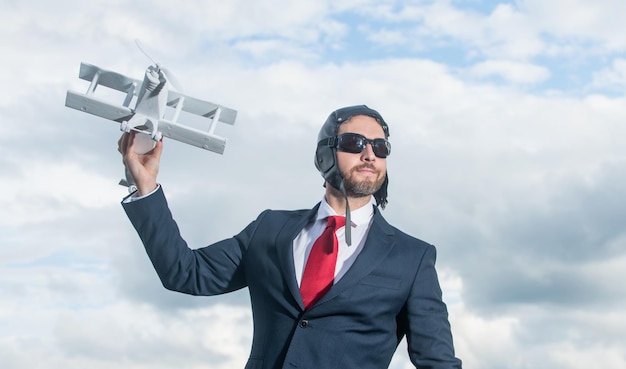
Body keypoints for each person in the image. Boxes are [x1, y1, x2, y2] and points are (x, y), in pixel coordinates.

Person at [118, 105, 462, 369]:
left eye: (380, 146)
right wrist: (145, 187)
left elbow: (439, 363)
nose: (369, 154)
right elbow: (185, 272)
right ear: (324, 154)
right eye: (354, 143)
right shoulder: (270, 230)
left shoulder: (412, 258)